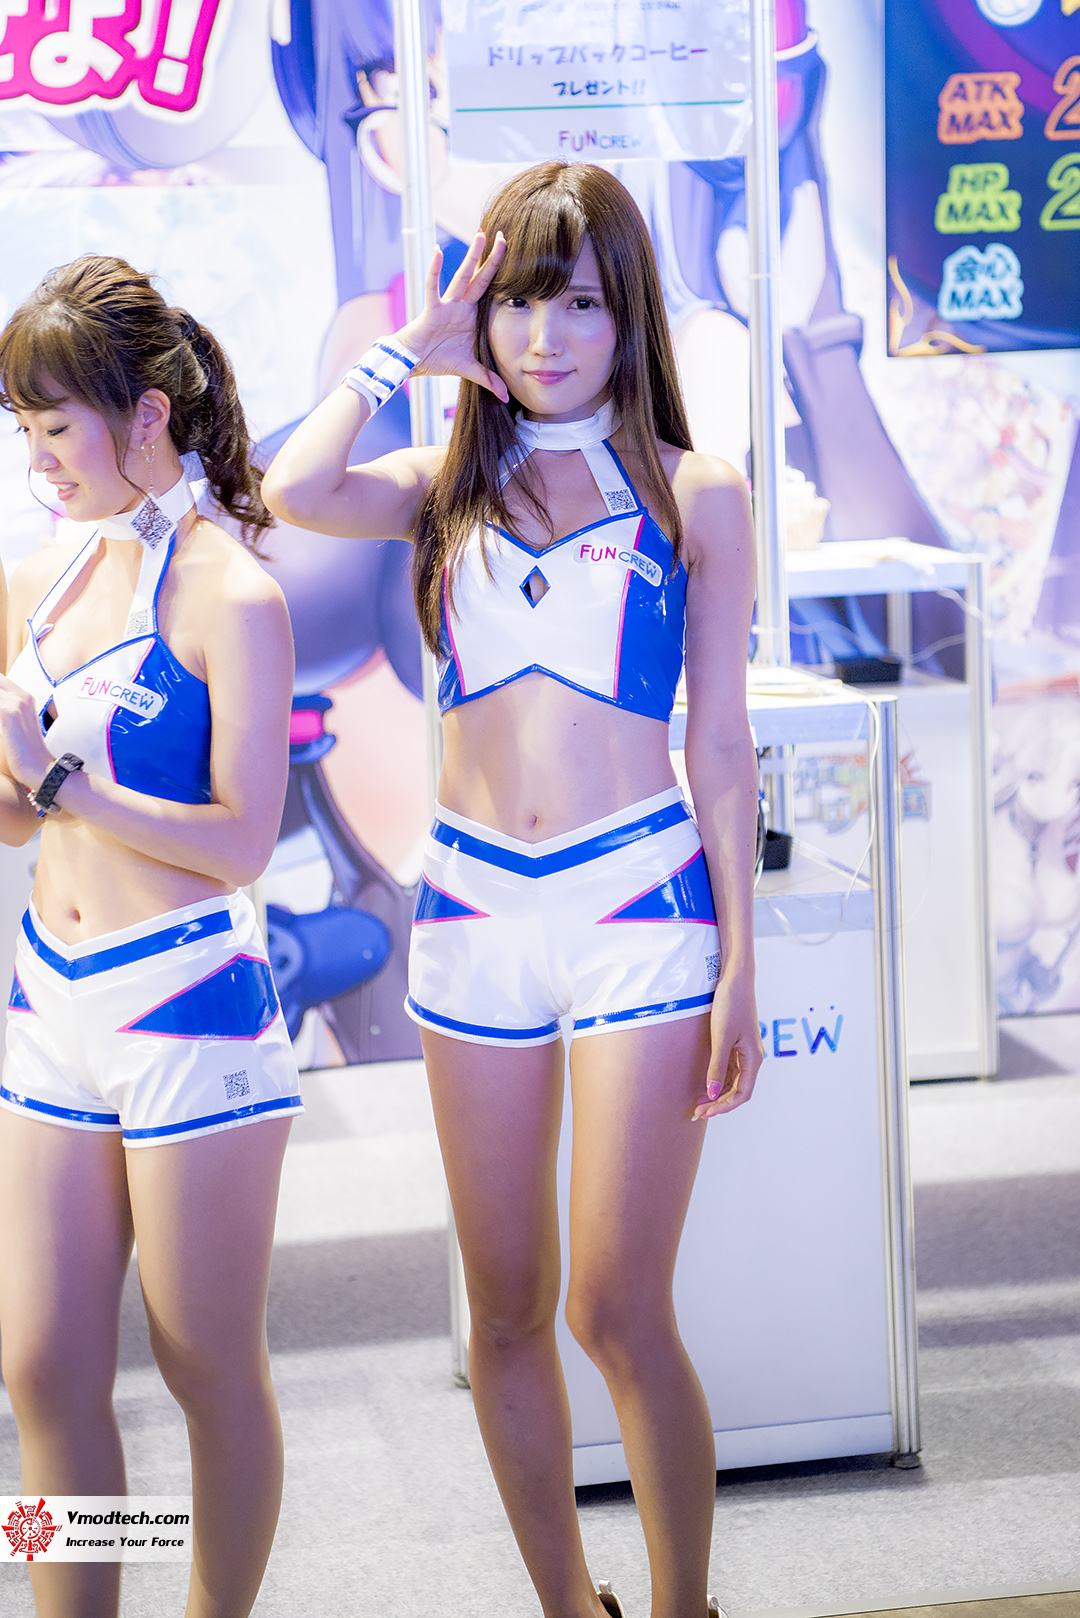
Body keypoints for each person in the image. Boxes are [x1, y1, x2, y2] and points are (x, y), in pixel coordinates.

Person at [263, 160, 764, 1618]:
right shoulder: (442, 485)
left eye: (582, 303)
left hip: (640, 906)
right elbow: (292, 490)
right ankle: (567, 1604)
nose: (548, 336)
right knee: (502, 1311)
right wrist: (406, 354)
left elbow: (720, 741)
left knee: (616, 1304)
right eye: (521, 303)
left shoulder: (694, 491)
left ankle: (683, 1607)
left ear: (630, 316)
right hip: (473, 912)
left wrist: (742, 961)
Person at [0, 256, 301, 1618]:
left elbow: (242, 841)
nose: (37, 458)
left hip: (189, 1003)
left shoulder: (235, 595)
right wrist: (19, 785)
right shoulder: (37, 582)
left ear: (147, 417)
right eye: (24, 430)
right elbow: (18, 819)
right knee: (40, 1367)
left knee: (205, 1369)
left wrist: (60, 780)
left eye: (56, 426)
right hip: (48, 1000)